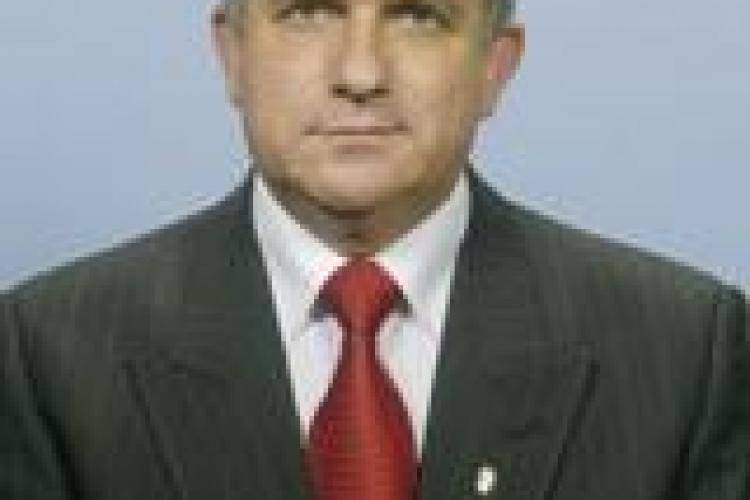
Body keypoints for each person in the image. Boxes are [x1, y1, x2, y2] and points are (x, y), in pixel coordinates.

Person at [1, 0, 748, 498]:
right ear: (231, 53)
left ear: (495, 66)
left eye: (418, 15)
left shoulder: (686, 352)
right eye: (308, 12)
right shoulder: (47, 354)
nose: (360, 74)